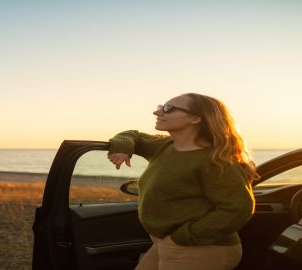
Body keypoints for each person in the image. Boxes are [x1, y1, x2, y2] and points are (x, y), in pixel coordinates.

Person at [108, 93, 259, 270]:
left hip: (201, 248)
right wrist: (122, 148)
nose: (157, 112)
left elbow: (238, 208)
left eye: (168, 109)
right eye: (160, 106)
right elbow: (132, 135)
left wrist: (184, 236)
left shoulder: (215, 161)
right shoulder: (164, 146)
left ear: (195, 118)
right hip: (165, 244)